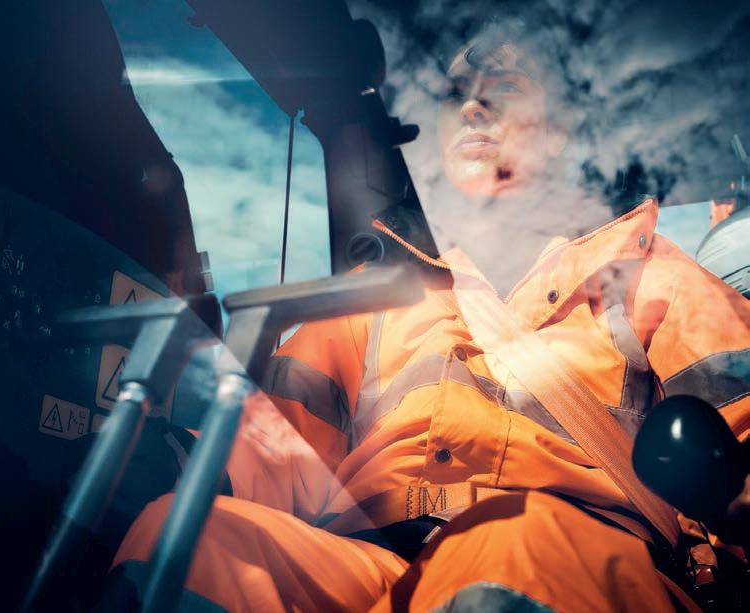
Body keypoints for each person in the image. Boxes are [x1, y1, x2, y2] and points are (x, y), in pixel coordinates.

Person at [112, 17, 750, 612]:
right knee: (180, 535)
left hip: (577, 558)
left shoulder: (648, 276)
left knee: (507, 545)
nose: (471, 107)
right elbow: (270, 444)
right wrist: (172, 464)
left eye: (503, 88)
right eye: (453, 95)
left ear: (560, 131)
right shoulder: (367, 300)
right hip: (378, 568)